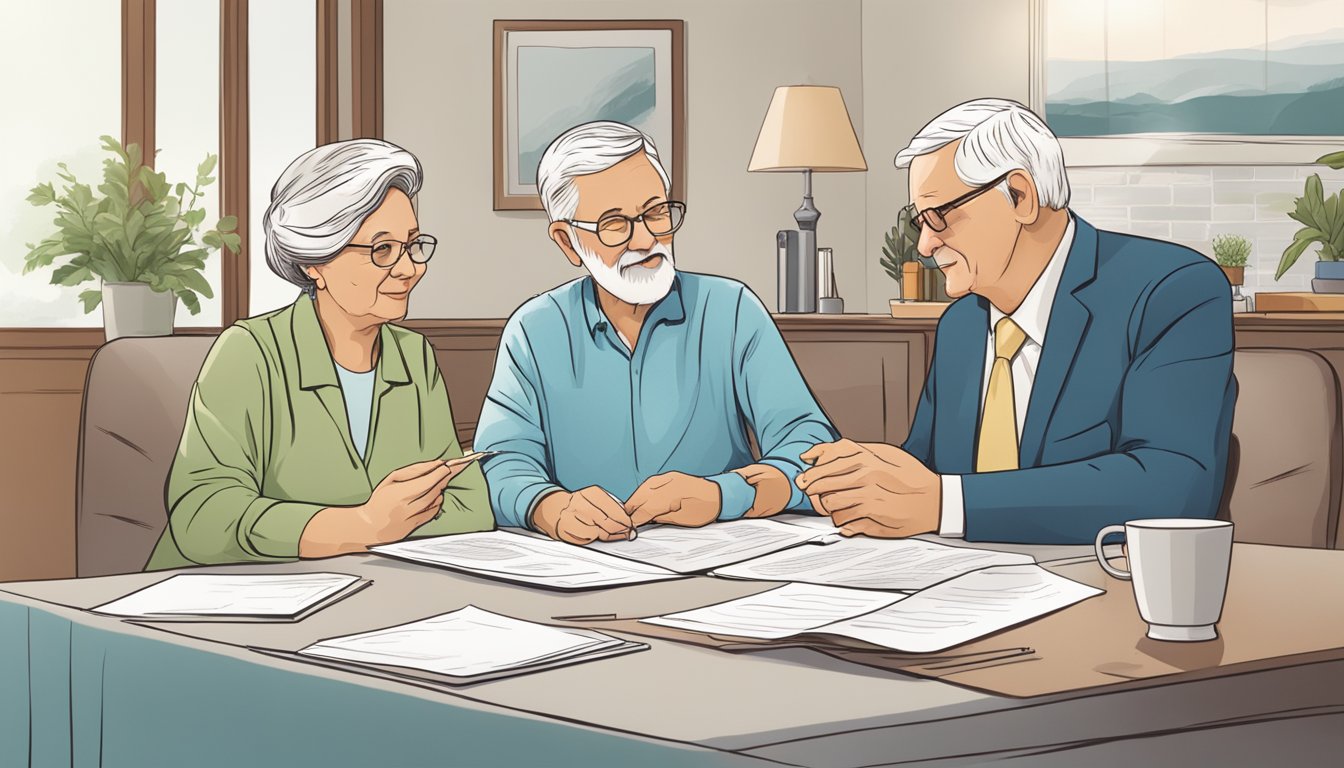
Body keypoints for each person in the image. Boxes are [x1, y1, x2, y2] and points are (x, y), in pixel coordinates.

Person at [797, 99, 1236, 545]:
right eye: (919, 222)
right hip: (958, 589)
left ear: (1020, 197)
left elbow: (1171, 487)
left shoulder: (1170, 291)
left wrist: (944, 503)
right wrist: (862, 479)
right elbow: (926, 471)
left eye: (939, 217)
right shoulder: (961, 326)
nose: (925, 246)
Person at [474, 121, 837, 546]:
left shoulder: (732, 310)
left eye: (656, 212)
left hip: (720, 559)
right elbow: (499, 463)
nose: (645, 238)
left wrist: (722, 495)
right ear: (567, 242)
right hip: (583, 569)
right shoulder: (534, 331)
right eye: (614, 223)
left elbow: (811, 448)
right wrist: (549, 507)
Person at [146, 139, 492, 569]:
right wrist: (363, 525)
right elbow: (205, 518)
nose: (409, 268)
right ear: (314, 262)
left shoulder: (414, 356)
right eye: (382, 250)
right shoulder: (249, 353)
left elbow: (469, 506)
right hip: (220, 603)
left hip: (366, 591)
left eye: (413, 245)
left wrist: (369, 528)